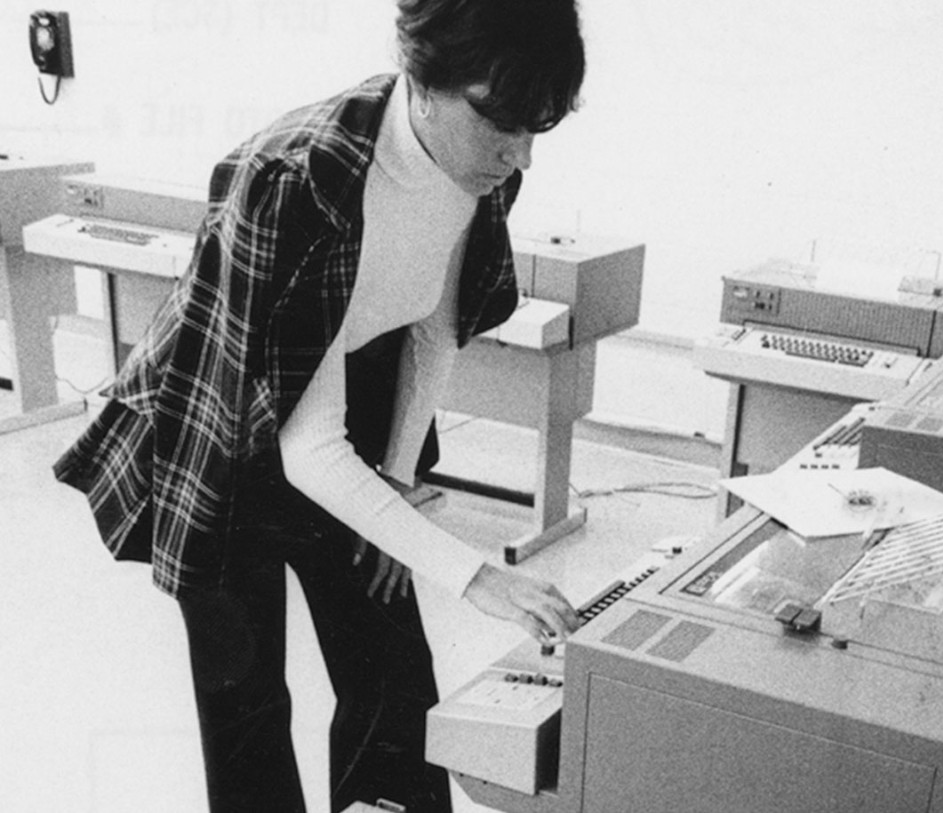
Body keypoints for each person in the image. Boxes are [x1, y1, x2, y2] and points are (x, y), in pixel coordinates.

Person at [52, 1, 586, 811]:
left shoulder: (480, 161)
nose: (521, 155)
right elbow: (306, 445)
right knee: (248, 704)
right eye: (501, 121)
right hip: (225, 416)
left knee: (396, 688)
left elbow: (435, 329)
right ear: (424, 77)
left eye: (537, 128)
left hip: (344, 402)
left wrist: (401, 475)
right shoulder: (298, 178)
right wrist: (472, 574)